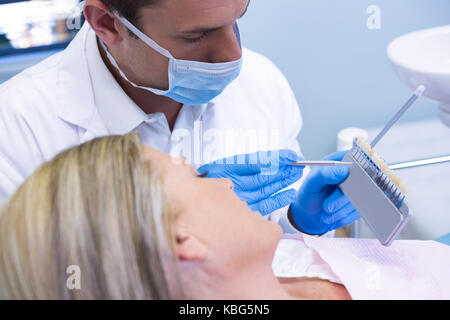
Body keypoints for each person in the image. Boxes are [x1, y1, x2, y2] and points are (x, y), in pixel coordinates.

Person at [0, 0, 358, 235]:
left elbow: (275, 253)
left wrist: (299, 222)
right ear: (107, 23)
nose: (234, 56)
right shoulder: (18, 128)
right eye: (197, 35)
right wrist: (159, 236)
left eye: (236, 21)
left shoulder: (262, 83)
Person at [0, 134, 448, 300]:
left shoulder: (269, 269)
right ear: (182, 241)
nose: (228, 181)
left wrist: (303, 224)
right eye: (197, 175)